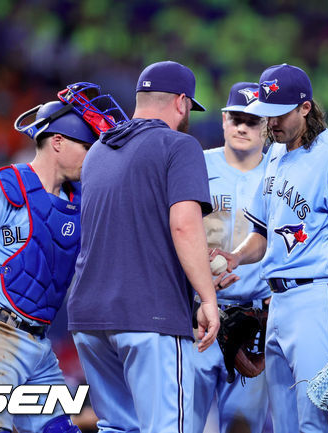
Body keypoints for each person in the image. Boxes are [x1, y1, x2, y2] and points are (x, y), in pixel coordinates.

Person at [0, 82, 124, 433]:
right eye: (87, 146)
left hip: (39, 344)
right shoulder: (4, 186)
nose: (93, 155)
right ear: (58, 142)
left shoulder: (79, 202)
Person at [215, 64, 328, 433]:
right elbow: (262, 232)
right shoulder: (275, 154)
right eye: (266, 113)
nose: (270, 122)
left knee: (314, 423)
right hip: (279, 304)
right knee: (286, 425)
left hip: (320, 299)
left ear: (305, 107)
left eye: (279, 113)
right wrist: (236, 256)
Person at [67, 61, 220, 433]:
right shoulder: (179, 144)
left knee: (118, 428)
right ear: (182, 102)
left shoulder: (99, 150)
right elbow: (184, 225)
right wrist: (208, 298)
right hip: (148, 316)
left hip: (90, 319)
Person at [193, 82, 271, 433]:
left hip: (252, 318)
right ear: (224, 119)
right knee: (181, 421)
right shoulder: (195, 165)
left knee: (243, 426)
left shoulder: (279, 174)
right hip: (195, 312)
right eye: (237, 118)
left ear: (267, 125)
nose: (242, 127)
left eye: (252, 121)